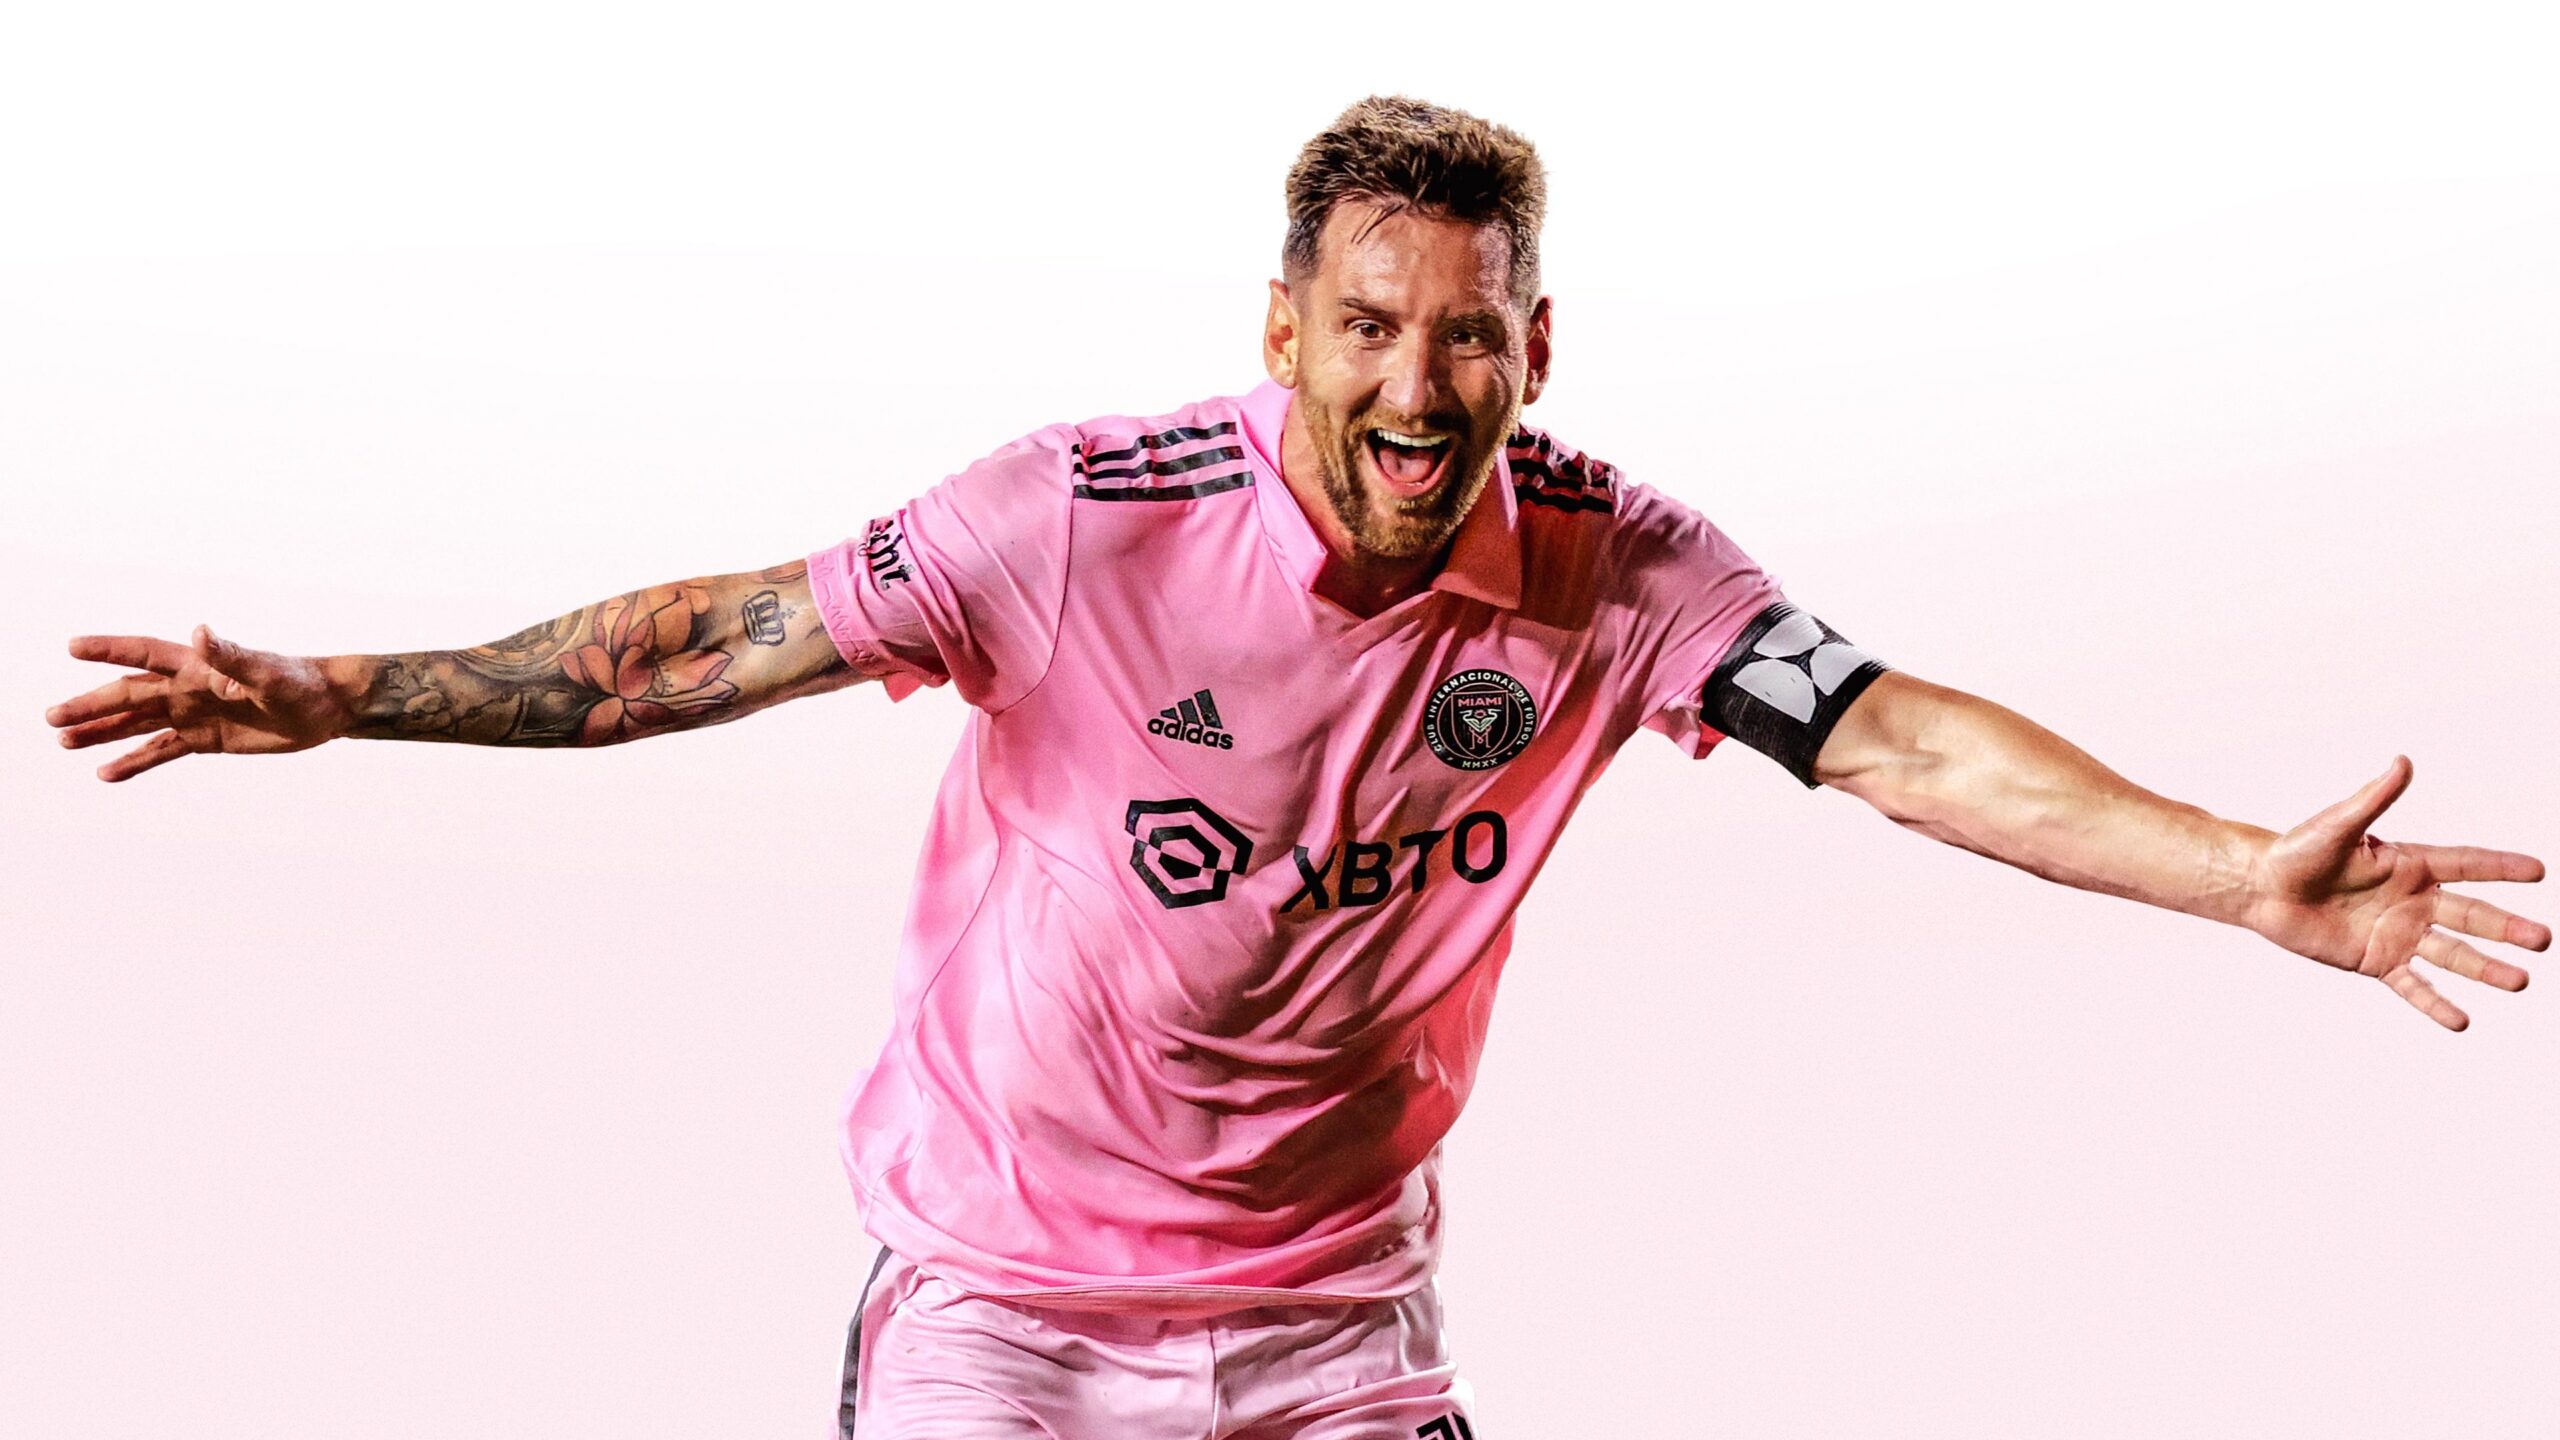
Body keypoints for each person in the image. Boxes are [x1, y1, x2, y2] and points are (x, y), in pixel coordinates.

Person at [44, 95, 2548, 1439]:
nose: (1416, 391)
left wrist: (2235, 871)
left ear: (1533, 351)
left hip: (1334, 1321)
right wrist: (347, 692)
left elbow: (1893, 735)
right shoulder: (1073, 518)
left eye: (1468, 339)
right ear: (1281, 331)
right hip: (1000, 1309)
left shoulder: (1616, 566)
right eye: (1368, 329)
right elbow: (702, 647)